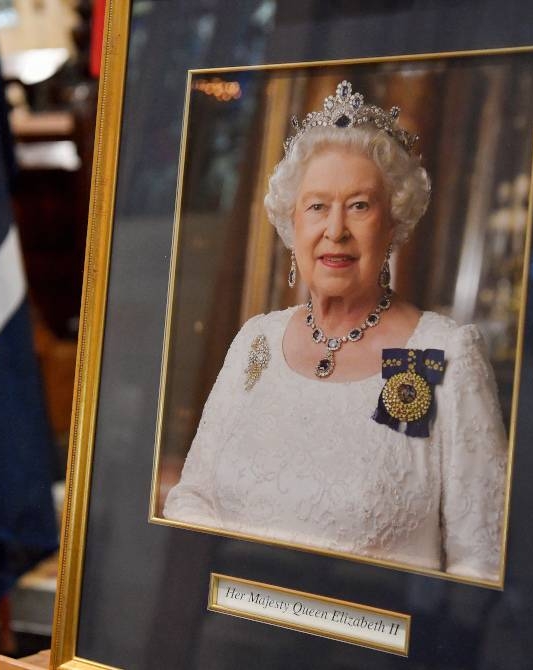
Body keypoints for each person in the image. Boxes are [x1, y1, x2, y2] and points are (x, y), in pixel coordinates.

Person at [163, 81, 508, 582]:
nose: (336, 230)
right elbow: (191, 498)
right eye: (317, 206)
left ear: (393, 223)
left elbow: (481, 560)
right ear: (292, 223)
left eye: (360, 206)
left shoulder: (442, 355)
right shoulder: (255, 342)